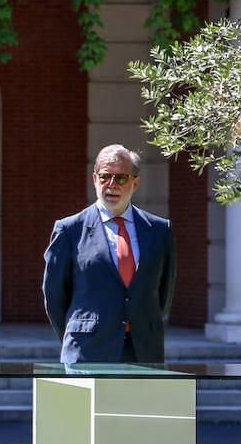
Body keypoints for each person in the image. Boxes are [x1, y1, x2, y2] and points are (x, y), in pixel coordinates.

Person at [43, 144, 176, 364]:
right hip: (88, 352)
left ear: (135, 183)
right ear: (95, 179)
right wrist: (79, 333)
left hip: (144, 351)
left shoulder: (160, 231)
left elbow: (164, 293)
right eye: (105, 177)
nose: (111, 185)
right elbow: (54, 297)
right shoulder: (69, 230)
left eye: (121, 178)